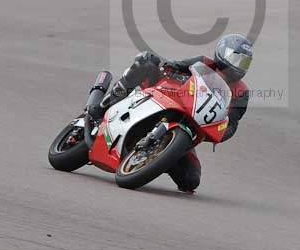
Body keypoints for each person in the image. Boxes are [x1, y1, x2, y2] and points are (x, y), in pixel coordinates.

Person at [88, 34, 253, 192]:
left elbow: (232, 123)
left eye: (244, 62)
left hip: (192, 127)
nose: (238, 65)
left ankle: (157, 157)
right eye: (235, 57)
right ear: (222, 52)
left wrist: (222, 132)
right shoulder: (203, 62)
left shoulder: (241, 92)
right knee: (147, 60)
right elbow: (175, 65)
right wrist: (171, 68)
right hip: (168, 97)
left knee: (191, 180)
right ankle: (102, 106)